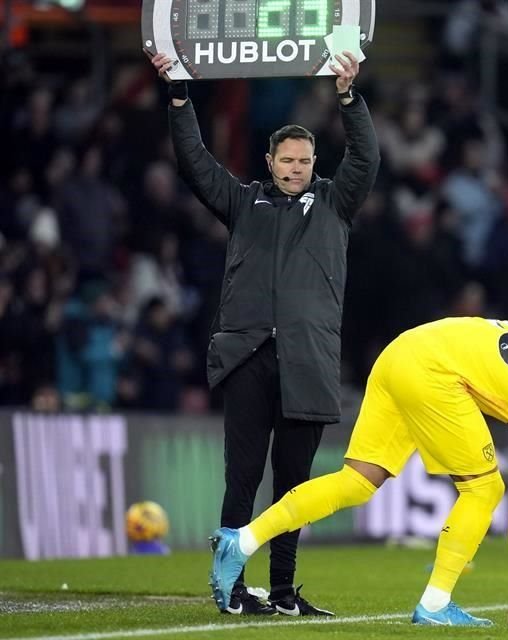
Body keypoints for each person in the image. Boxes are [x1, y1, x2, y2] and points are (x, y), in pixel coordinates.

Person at [208, 317, 508, 626]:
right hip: (434, 373)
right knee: (486, 489)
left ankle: (241, 540)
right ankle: (435, 603)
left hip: (401, 352)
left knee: (358, 481)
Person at [148, 51, 380, 616]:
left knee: (295, 485)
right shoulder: (242, 200)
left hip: (308, 360)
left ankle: (280, 592)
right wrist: (179, 99)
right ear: (270, 160)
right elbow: (196, 163)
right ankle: (229, 587)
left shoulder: (334, 201)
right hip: (249, 355)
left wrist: (349, 98)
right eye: (287, 159)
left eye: (304, 160)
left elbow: (367, 157)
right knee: (243, 477)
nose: (296, 167)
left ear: (313, 161)